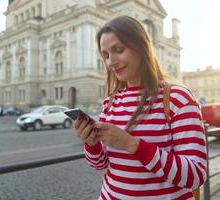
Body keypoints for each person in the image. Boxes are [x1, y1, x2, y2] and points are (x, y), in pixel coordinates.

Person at [73, 15, 207, 200]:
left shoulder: (177, 98)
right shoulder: (110, 103)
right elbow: (101, 166)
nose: (111, 62)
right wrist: (91, 143)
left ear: (141, 46)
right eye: (106, 55)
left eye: (118, 50)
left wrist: (131, 144)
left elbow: (195, 175)